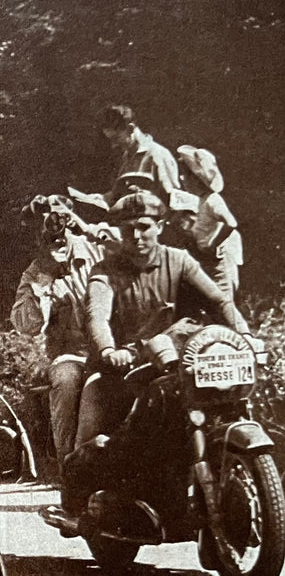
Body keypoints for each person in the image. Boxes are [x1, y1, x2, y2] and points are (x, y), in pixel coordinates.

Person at [75, 190, 249, 447]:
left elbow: (219, 301)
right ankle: (78, 480)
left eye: (144, 227)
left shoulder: (179, 260)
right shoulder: (105, 270)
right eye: (127, 229)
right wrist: (109, 350)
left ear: (160, 226)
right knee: (92, 422)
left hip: (180, 364)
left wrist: (245, 335)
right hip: (125, 369)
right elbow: (96, 316)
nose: (136, 236)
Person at [10, 195, 108, 460]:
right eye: (44, 235)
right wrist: (43, 283)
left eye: (59, 227)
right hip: (71, 355)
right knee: (66, 380)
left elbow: (127, 249)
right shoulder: (35, 272)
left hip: (110, 345)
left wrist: (84, 227)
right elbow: (24, 325)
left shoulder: (95, 250)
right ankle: (69, 467)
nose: (54, 237)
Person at [172, 144, 242, 297]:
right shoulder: (202, 200)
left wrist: (213, 243)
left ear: (197, 179)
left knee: (222, 300)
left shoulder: (212, 200)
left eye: (186, 176)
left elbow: (231, 223)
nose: (182, 180)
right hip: (205, 259)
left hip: (217, 262)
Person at [100, 105, 180, 203]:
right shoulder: (127, 156)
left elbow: (175, 199)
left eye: (116, 139)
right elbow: (119, 193)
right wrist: (99, 198)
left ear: (130, 128)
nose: (113, 145)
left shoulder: (157, 154)